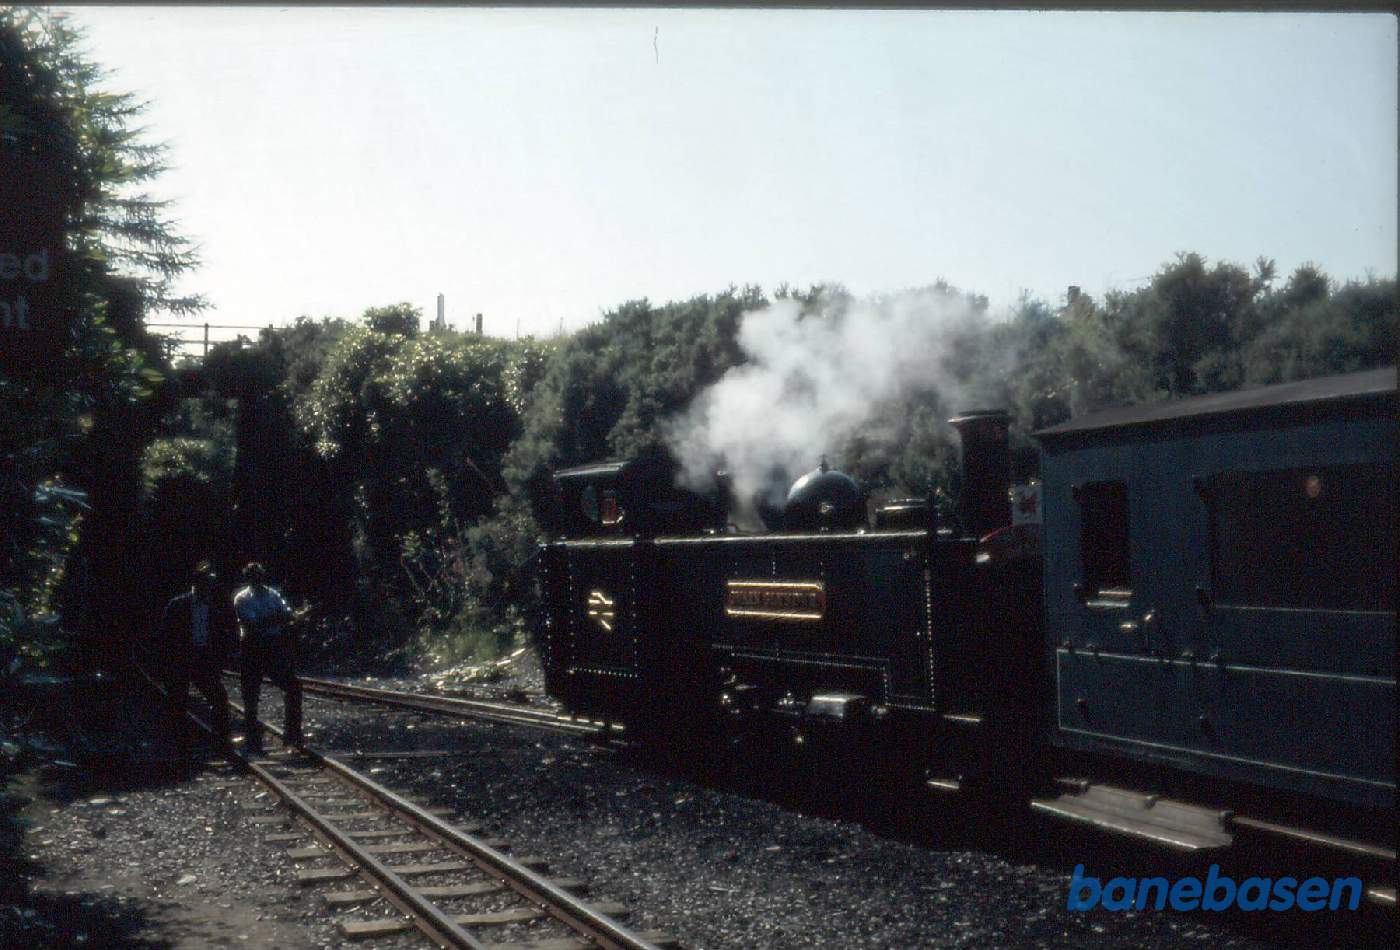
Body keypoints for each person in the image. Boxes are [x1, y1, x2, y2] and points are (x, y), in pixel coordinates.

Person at [157, 562, 236, 752]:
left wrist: (221, 656)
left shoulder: (216, 607)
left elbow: (226, 632)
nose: (207, 589)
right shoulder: (178, 605)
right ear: (196, 585)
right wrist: (168, 661)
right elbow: (165, 634)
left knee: (218, 697)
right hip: (181, 658)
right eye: (204, 584)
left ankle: (222, 739)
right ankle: (181, 742)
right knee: (178, 701)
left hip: (205, 659)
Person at [233, 562, 303, 752]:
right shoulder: (242, 598)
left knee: (293, 686)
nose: (257, 579)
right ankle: (253, 739)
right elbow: (253, 623)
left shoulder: (273, 595)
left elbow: (286, 613)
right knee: (250, 695)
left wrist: (283, 617)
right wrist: (279, 618)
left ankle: (292, 733)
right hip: (252, 648)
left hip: (273, 646)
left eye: (259, 575)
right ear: (249, 578)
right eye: (253, 576)